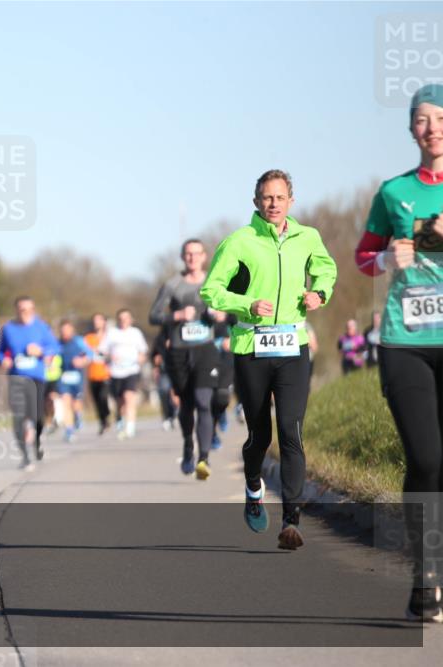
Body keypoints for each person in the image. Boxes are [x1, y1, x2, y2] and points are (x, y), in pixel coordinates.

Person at [201, 169, 337, 550]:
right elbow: (211, 290)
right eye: (266, 197)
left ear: (291, 200)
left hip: (293, 346)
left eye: (280, 197)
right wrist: (246, 303)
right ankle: (253, 486)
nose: (273, 203)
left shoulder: (307, 237)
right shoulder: (239, 242)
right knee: (260, 434)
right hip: (251, 347)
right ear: (256, 201)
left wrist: (320, 293)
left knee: (291, 431)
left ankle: (291, 520)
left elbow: (326, 269)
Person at [354, 84, 443, 622]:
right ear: (410, 129)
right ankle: (426, 572)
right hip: (406, 341)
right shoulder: (393, 192)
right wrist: (388, 257)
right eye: (420, 119)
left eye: (438, 117)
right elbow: (363, 259)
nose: (430, 127)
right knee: (427, 458)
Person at [150, 239, 222, 479]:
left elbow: (231, 309)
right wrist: (177, 315)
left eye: (196, 254)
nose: (192, 258)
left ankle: (204, 459)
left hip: (206, 349)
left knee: (204, 401)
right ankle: (188, 446)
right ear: (183, 257)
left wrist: (220, 314)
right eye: (188, 254)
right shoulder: (172, 285)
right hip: (179, 352)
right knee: (187, 404)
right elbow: (154, 316)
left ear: (204, 256)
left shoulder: (215, 281)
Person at [0, 296, 58, 469]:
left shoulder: (41, 327)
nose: (25, 313)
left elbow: (54, 347)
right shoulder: (9, 328)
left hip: (36, 377)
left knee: (37, 416)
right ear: (16, 310)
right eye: (22, 309)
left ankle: (37, 442)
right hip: (16, 377)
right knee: (19, 417)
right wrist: (3, 360)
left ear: (34, 310)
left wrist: (42, 351)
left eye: (29, 309)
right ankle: (25, 456)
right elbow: (1, 352)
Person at [99, 309, 148, 440]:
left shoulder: (136, 333)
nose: (123, 321)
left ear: (131, 319)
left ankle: (130, 428)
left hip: (132, 370)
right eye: (121, 318)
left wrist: (141, 359)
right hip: (115, 372)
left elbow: (143, 352)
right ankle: (120, 418)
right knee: (120, 402)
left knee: (129, 397)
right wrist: (109, 356)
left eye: (126, 318)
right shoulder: (112, 333)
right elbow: (101, 351)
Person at [56, 319, 94, 442]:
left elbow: (90, 354)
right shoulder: (57, 343)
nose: (65, 333)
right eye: (63, 331)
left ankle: (78, 415)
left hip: (77, 377)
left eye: (67, 330)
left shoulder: (79, 341)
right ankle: (69, 430)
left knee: (76, 403)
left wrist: (82, 361)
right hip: (63, 377)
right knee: (65, 402)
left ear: (72, 330)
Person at [210, 312, 236, 451]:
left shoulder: (233, 319)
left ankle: (221, 413)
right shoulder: (206, 321)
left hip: (227, 364)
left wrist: (231, 341)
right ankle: (212, 435)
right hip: (208, 365)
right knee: (208, 402)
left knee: (222, 398)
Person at [85, 314, 113, 435]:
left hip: (107, 374)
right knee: (96, 400)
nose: (96, 323)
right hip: (92, 374)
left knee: (103, 397)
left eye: (98, 320)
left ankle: (107, 415)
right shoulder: (88, 338)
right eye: (94, 321)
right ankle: (103, 422)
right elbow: (83, 353)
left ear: (104, 322)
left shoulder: (110, 337)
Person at [151, 328, 178, 431]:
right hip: (164, 371)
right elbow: (154, 354)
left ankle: (175, 414)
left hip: (179, 369)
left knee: (176, 395)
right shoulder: (160, 338)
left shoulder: (181, 332)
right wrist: (155, 364)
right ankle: (167, 417)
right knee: (164, 392)